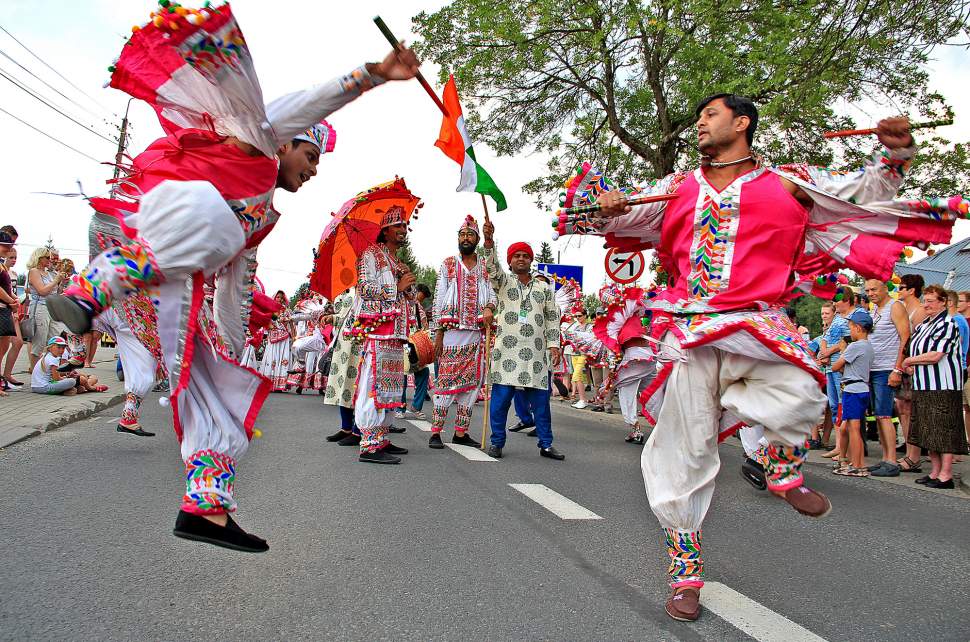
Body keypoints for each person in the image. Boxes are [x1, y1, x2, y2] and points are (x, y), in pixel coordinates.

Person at [559, 92, 952, 620]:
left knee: (802, 390)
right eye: (699, 117)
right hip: (691, 324)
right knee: (683, 450)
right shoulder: (678, 187)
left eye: (710, 115)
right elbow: (622, 216)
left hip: (756, 318)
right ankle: (685, 573)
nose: (700, 123)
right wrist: (605, 206)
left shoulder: (786, 181)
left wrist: (894, 157)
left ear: (742, 124)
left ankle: (780, 464)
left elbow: (860, 191)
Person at [46, 4, 421, 552]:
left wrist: (232, 346)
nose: (313, 170)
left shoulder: (261, 214)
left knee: (220, 393)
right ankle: (93, 288)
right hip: (159, 232)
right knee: (216, 227)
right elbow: (303, 104)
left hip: (175, 282)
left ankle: (206, 506)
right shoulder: (256, 139)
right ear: (289, 142)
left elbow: (234, 290)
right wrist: (372, 76)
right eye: (311, 156)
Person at [481, 219, 564, 460]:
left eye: (525, 256)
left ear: (530, 260)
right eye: (515, 255)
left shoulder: (544, 289)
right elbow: (492, 267)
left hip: (536, 355)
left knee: (541, 403)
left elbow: (551, 317)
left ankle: (546, 444)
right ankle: (497, 442)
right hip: (507, 353)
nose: (520, 259)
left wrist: (554, 344)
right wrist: (488, 241)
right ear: (510, 261)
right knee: (501, 402)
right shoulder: (503, 283)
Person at [352, 207, 415, 464]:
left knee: (389, 388)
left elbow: (404, 296)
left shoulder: (396, 261)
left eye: (405, 225)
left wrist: (407, 287)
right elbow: (363, 288)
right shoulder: (370, 254)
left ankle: (381, 439)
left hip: (395, 333)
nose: (403, 230)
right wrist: (396, 287)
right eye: (398, 225)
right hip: (377, 331)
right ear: (386, 229)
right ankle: (368, 445)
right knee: (373, 385)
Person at [427, 216, 496, 448]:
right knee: (446, 382)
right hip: (452, 333)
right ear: (458, 238)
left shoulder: (485, 266)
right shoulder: (448, 264)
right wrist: (438, 333)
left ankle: (460, 433)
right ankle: (435, 432)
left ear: (476, 239)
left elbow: (493, 294)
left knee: (472, 385)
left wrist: (488, 307)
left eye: (470, 235)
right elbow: (438, 300)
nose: (465, 238)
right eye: (462, 234)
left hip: (476, 333)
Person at [902, 285, 969, 488]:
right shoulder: (924, 326)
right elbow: (916, 350)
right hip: (923, 385)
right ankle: (935, 471)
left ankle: (946, 474)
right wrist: (912, 365)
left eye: (931, 301)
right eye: (925, 300)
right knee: (927, 430)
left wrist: (909, 361)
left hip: (943, 386)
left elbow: (936, 355)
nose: (926, 304)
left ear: (943, 302)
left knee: (944, 429)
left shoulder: (948, 324)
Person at [863, 279, 910, 476]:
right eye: (867, 290)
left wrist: (897, 369)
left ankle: (891, 460)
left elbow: (905, 337)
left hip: (886, 368)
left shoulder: (895, 306)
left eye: (874, 289)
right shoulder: (874, 310)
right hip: (872, 368)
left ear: (885, 288)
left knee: (884, 414)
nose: (870, 293)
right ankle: (884, 457)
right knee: (878, 413)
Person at [92, 304, 159, 437]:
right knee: (146, 377)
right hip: (134, 318)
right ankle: (128, 418)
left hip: (130, 320)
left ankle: (128, 419)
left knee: (143, 376)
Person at [831, 309, 875, 477]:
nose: (850, 331)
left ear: (858, 328)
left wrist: (842, 350)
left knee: (854, 428)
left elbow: (836, 366)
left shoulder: (855, 346)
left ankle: (858, 464)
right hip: (862, 387)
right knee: (848, 427)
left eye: (850, 327)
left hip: (852, 389)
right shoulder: (869, 346)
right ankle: (849, 461)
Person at [896, 274, 928, 472]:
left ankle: (914, 455)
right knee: (902, 408)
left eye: (902, 287)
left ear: (911, 290)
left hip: (915, 366)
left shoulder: (920, 311)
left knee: (913, 410)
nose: (898, 290)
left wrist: (912, 362)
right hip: (904, 364)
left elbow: (920, 340)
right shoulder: (903, 309)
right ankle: (910, 453)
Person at [323, 290, 363, 446]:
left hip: (359, 343)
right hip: (343, 344)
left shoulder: (365, 287)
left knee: (358, 387)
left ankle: (358, 429)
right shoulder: (346, 291)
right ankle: (346, 427)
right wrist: (332, 318)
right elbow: (344, 317)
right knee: (343, 385)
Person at [25, 247, 65, 372]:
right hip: (40, 307)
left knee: (53, 338)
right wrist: (56, 281)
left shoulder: (49, 273)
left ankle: (48, 369)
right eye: (47, 257)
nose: (50, 260)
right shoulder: (34, 271)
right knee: (39, 341)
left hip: (52, 308)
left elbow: (56, 292)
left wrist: (61, 283)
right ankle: (35, 371)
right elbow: (42, 291)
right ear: (39, 258)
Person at [400, 282, 433, 420]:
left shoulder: (416, 305)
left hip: (414, 343)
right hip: (407, 342)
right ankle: (401, 407)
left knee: (421, 372)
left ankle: (413, 407)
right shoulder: (403, 304)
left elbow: (424, 325)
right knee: (404, 372)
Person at [1, 244, 26, 387]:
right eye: (11, 257)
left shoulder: (14, 274)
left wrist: (16, 306)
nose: (13, 260)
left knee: (18, 342)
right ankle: (4, 376)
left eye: (15, 257)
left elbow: (13, 292)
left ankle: (7, 374)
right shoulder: (2, 271)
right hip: (6, 308)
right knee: (4, 344)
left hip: (12, 309)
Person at [259, 291, 294, 392]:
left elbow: (291, 323)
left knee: (282, 359)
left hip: (284, 337)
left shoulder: (286, 310)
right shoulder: (269, 310)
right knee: (272, 358)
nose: (280, 299)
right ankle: (269, 383)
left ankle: (280, 384)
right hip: (273, 336)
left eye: (281, 298)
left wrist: (293, 335)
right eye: (278, 297)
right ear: (274, 298)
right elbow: (265, 322)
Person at [0, 232, 19, 392]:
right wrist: (10, 300)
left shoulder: (1, 264)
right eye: (5, 245)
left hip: (4, 307)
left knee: (4, 346)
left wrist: (13, 299)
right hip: (1, 307)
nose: (8, 248)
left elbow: (6, 288)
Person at [959, 291, 970, 450]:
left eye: (961, 301)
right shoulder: (957, 320)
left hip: (968, 368)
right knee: (965, 408)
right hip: (961, 369)